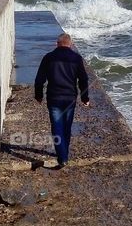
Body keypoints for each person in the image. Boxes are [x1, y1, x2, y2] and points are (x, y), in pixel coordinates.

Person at [34, 32, 90, 168]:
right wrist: (85, 97)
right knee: (67, 126)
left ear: (57, 43)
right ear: (71, 44)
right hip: (70, 97)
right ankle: (64, 153)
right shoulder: (76, 58)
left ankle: (62, 157)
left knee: (57, 127)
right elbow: (83, 79)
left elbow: (39, 79)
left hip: (54, 97)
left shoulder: (49, 57)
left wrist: (39, 95)